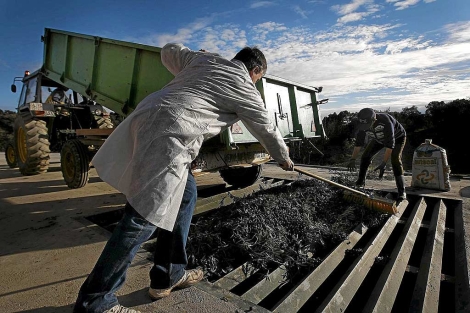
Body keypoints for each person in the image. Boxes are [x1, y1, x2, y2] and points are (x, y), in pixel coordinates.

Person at [73, 43, 294, 313]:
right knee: (143, 217)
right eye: (259, 78)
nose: (257, 83)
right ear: (256, 70)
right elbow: (267, 128)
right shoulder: (245, 87)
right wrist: (283, 158)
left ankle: (169, 274)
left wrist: (196, 53)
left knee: (186, 195)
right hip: (171, 132)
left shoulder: (204, 61)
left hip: (147, 114)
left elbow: (169, 50)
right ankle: (96, 301)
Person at [347, 108, 407, 201]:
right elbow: (358, 144)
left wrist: (383, 163)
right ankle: (360, 183)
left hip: (398, 138)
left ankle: (402, 191)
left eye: (367, 125)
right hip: (378, 139)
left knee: (395, 159)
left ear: (374, 120)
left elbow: (390, 146)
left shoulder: (386, 122)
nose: (364, 127)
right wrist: (353, 159)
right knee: (365, 157)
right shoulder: (361, 125)